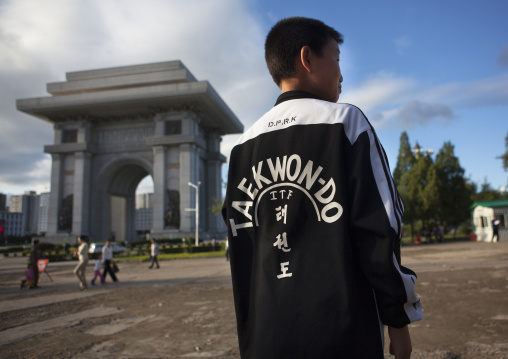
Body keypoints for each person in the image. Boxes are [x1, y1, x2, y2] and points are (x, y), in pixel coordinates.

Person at [222, 17, 422, 359]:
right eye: (337, 60)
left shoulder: (242, 148)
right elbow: (379, 229)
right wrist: (398, 320)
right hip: (342, 335)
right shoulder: (345, 122)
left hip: (264, 339)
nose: (342, 76)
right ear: (307, 58)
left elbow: (241, 255)